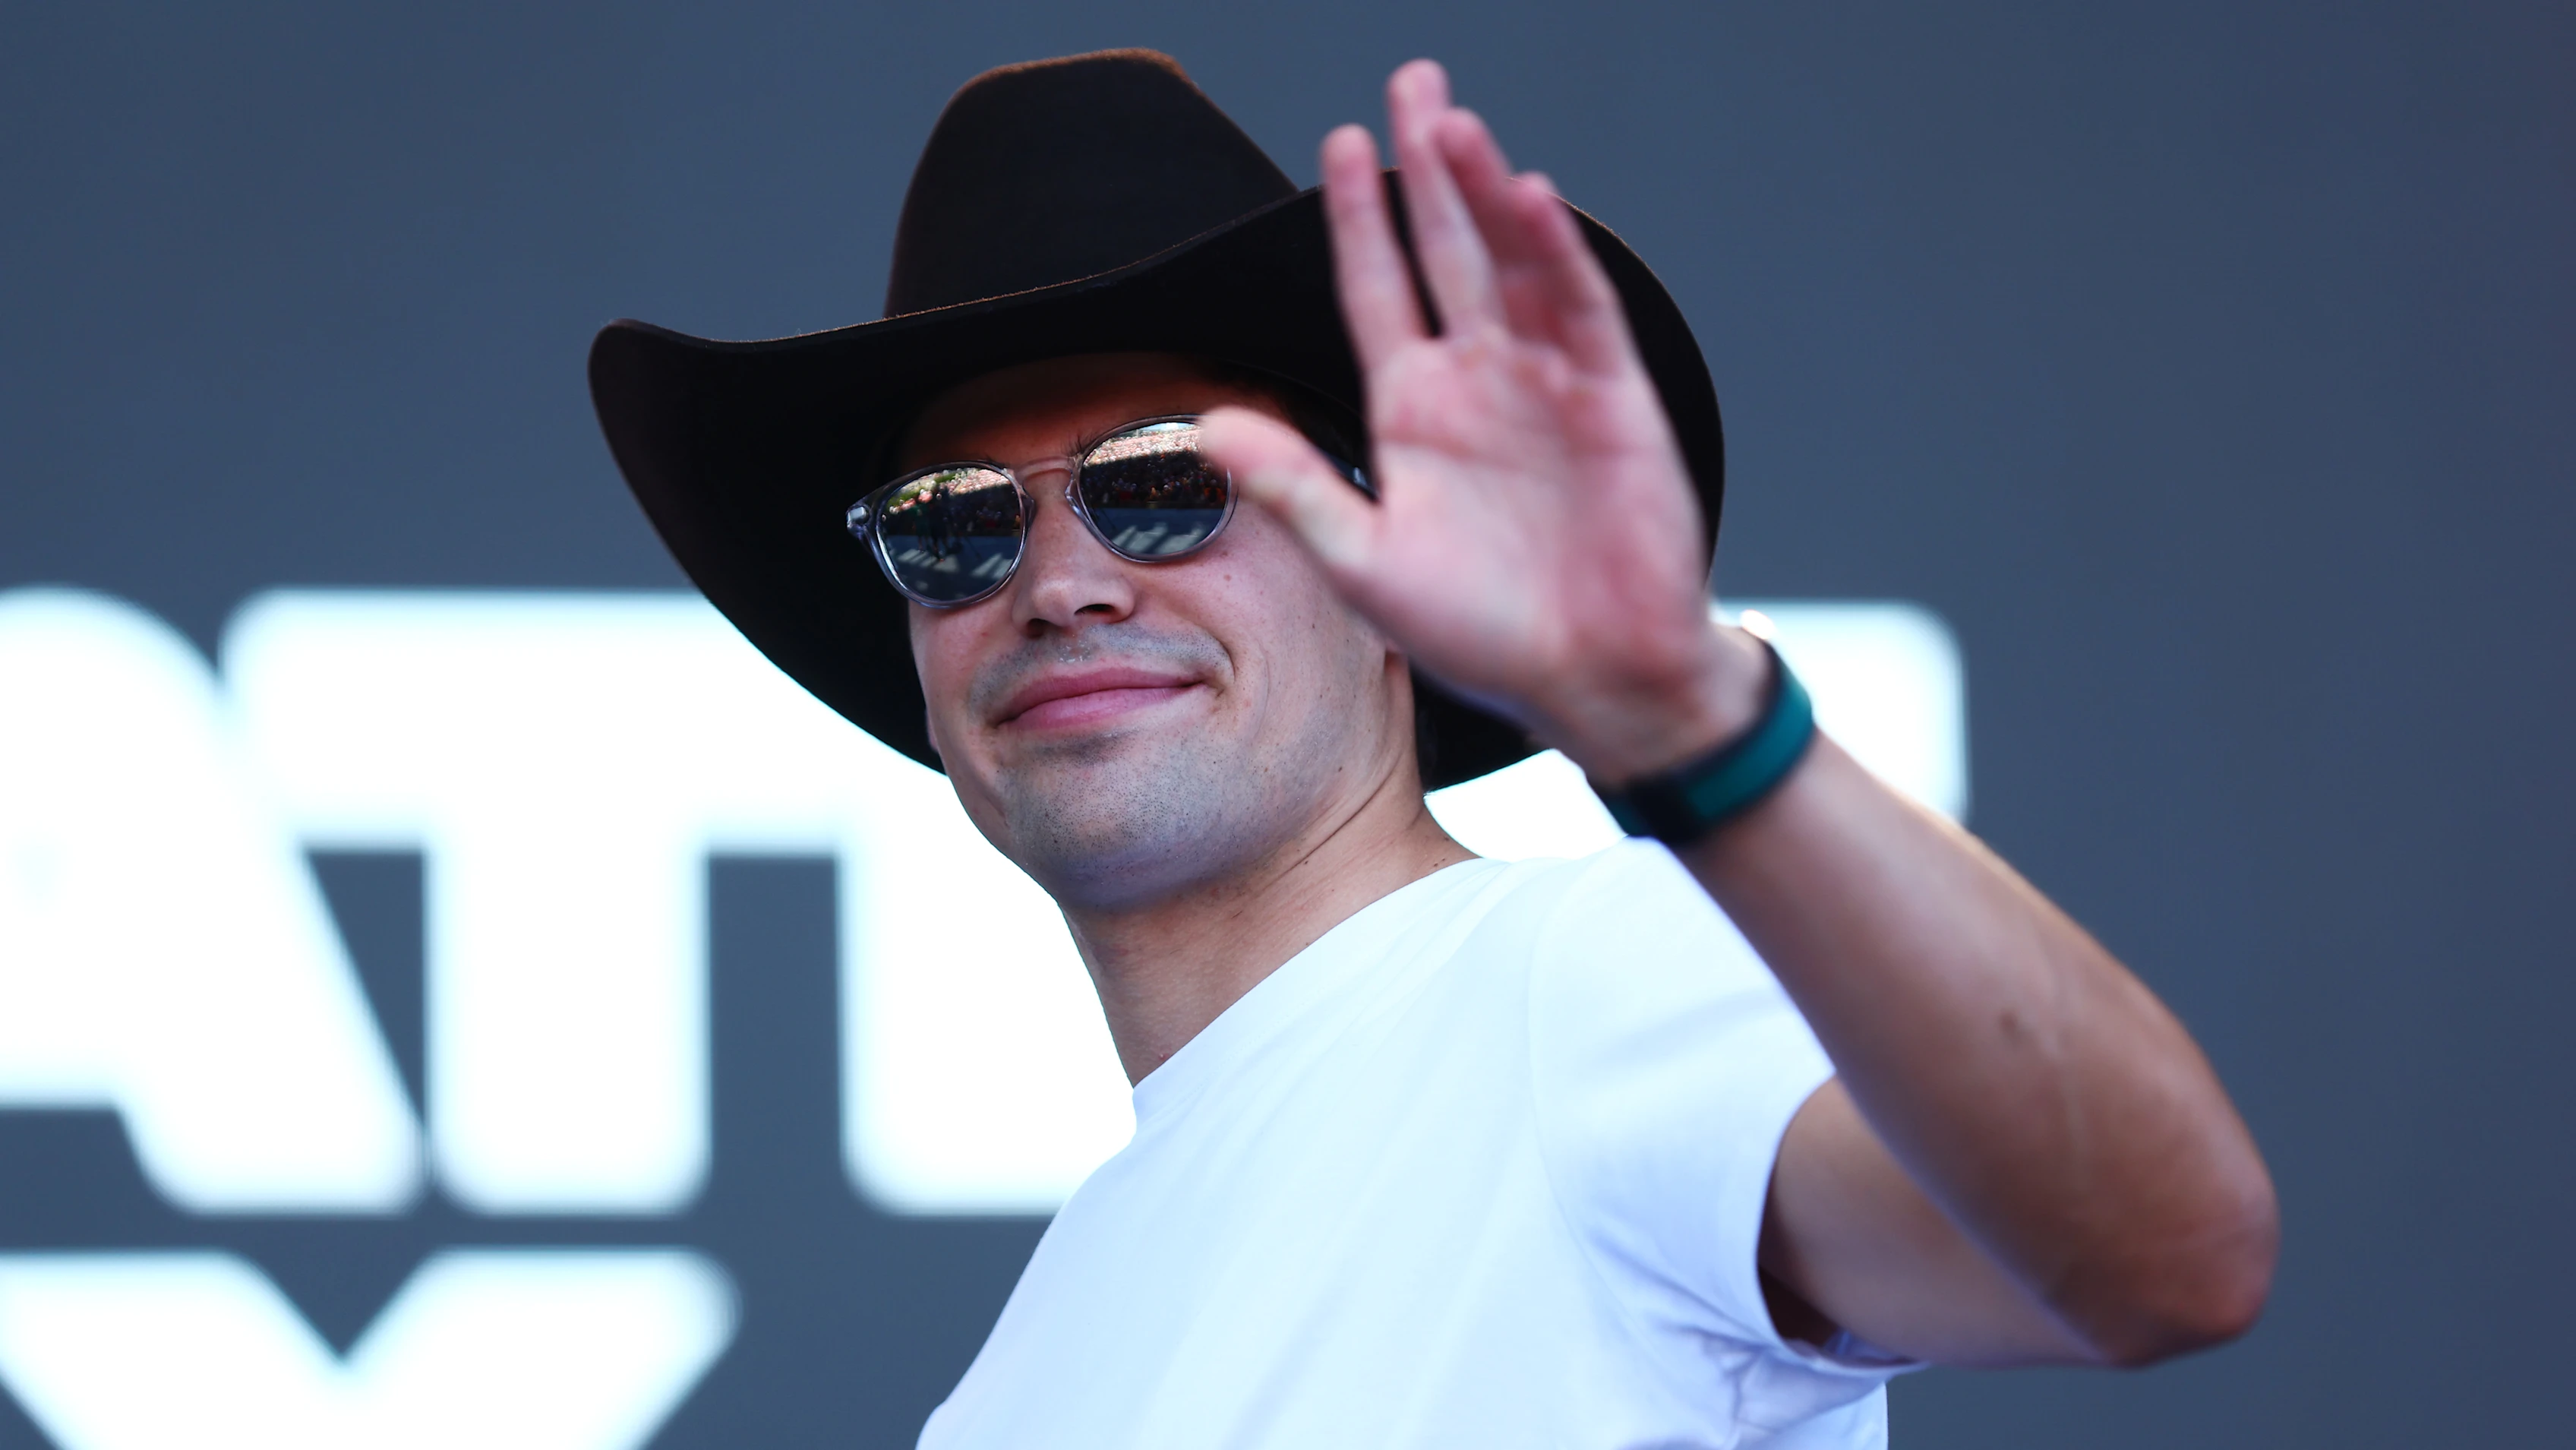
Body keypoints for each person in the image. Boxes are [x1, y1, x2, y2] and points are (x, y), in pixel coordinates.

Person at [591, 48, 2276, 1449]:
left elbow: (2163, 1261)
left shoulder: (1591, 985)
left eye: (1166, 481)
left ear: (1395, 571)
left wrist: (1697, 724)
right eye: (955, 527)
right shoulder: (1011, 1393)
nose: (1063, 585)